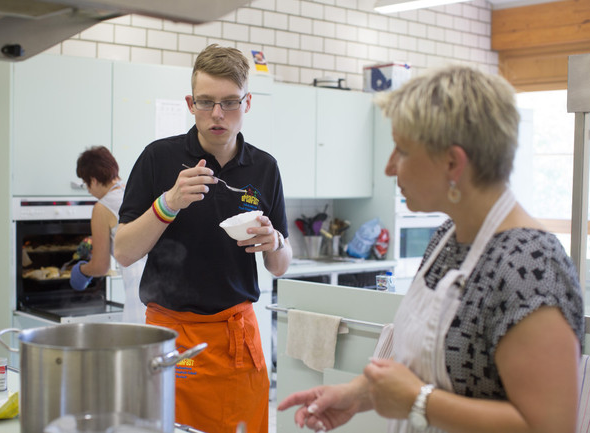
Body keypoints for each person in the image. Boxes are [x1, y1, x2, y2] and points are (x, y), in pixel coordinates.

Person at [278, 65, 584, 433]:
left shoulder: (530, 266)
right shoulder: (446, 238)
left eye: (402, 150)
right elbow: (422, 367)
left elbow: (549, 427)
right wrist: (359, 394)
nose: (390, 167)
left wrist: (418, 400)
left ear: (453, 163)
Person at [114, 44, 293, 433]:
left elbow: (280, 265)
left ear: (248, 102)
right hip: (173, 338)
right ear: (190, 103)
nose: (217, 114)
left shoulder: (264, 167)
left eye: (229, 102)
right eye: (206, 102)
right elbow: (124, 251)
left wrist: (275, 242)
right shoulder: (159, 158)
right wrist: (168, 203)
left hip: (237, 338)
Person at [70, 146, 147, 323]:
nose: (88, 191)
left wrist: (81, 270)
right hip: (161, 292)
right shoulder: (135, 192)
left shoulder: (102, 208)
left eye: (85, 183)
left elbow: (100, 266)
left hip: (138, 293)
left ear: (94, 180)